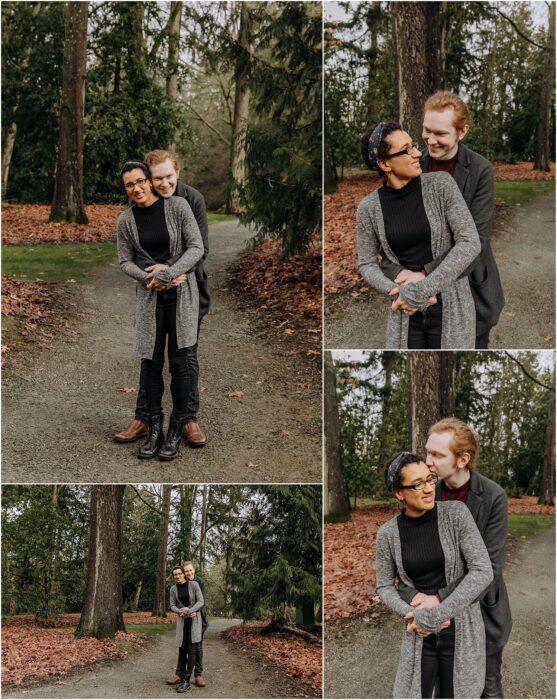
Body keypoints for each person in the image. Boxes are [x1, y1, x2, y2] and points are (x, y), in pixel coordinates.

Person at [380, 92, 504, 349]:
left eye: (441, 133)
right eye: (427, 131)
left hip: (468, 285)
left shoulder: (480, 170)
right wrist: (403, 276)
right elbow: (389, 237)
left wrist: (424, 275)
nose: (431, 140)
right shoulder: (410, 167)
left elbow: (475, 240)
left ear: (462, 132)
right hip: (416, 299)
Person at [376, 451, 493, 698]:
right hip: (419, 632)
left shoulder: (456, 514)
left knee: (457, 693)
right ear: (399, 493)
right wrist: (413, 615)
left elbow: (482, 570)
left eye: (429, 479)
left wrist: (439, 613)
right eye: (417, 484)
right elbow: (384, 586)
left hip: (460, 629)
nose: (429, 488)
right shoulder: (387, 534)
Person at [115, 150, 210, 447]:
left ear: (177, 174)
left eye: (142, 181)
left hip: (186, 292)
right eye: (130, 184)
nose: (138, 188)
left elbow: (198, 248)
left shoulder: (186, 202)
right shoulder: (126, 220)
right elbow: (125, 260)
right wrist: (149, 278)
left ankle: (186, 419)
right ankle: (146, 418)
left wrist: (168, 273)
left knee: (183, 359)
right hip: (150, 296)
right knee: (151, 359)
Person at [357, 122, 481, 349]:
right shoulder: (368, 208)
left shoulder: (441, 185)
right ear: (385, 164)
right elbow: (366, 263)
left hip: (450, 305)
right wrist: (397, 292)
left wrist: (423, 288)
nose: (417, 153)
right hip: (404, 310)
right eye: (406, 150)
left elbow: (470, 242)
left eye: (413, 145)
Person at [413, 418, 510, 698]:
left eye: (437, 455)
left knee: (487, 687)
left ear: (462, 459)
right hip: (437, 617)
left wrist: (442, 599)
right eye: (427, 452)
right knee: (445, 687)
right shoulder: (427, 493)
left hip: (482, 611)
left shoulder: (493, 497)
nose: (427, 461)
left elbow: (489, 568)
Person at [167, 561, 208, 688]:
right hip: (185, 619)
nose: (188, 573)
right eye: (186, 571)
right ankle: (179, 674)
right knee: (182, 646)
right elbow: (174, 604)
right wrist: (181, 611)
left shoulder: (199, 583)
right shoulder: (175, 588)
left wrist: (193, 611)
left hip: (199, 619)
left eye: (190, 570)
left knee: (196, 648)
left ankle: (198, 675)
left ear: (194, 570)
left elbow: (202, 601)